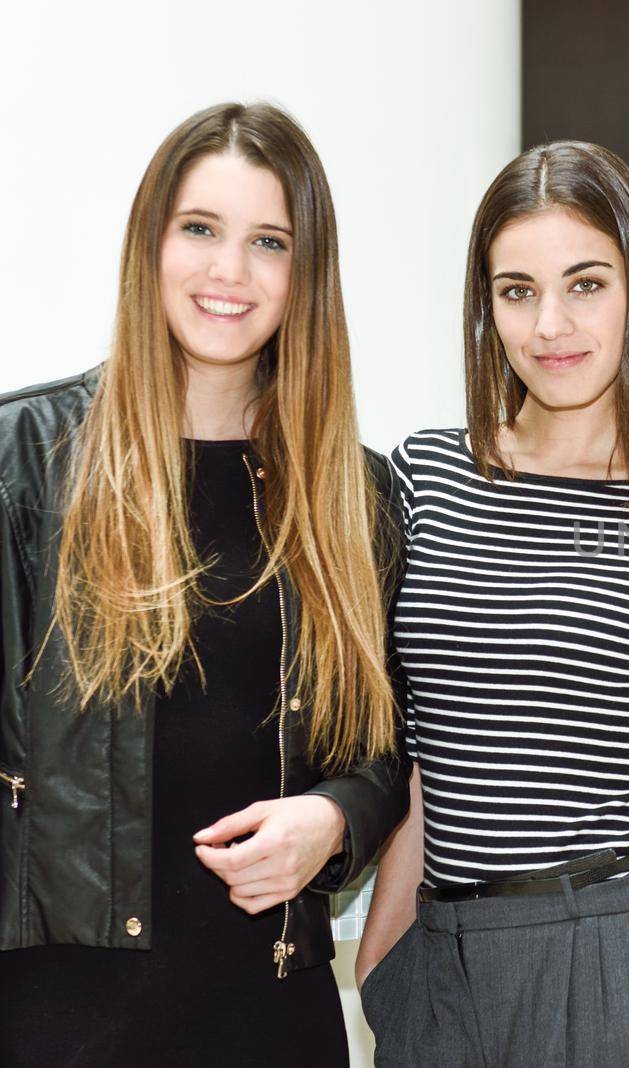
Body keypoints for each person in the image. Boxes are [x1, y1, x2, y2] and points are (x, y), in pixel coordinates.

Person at [354, 141, 629, 1068]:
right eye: (517, 290)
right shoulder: (425, 476)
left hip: (616, 961)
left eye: (584, 284)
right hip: (436, 966)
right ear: (487, 306)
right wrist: (380, 966)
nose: (551, 324)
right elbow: (424, 756)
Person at [0, 103, 410, 1067]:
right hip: (61, 1022)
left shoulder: (354, 496)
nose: (230, 272)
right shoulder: (24, 465)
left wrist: (336, 818)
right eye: (200, 230)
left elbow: (389, 750)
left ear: (305, 278)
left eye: (269, 241)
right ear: (151, 244)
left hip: (274, 1013)